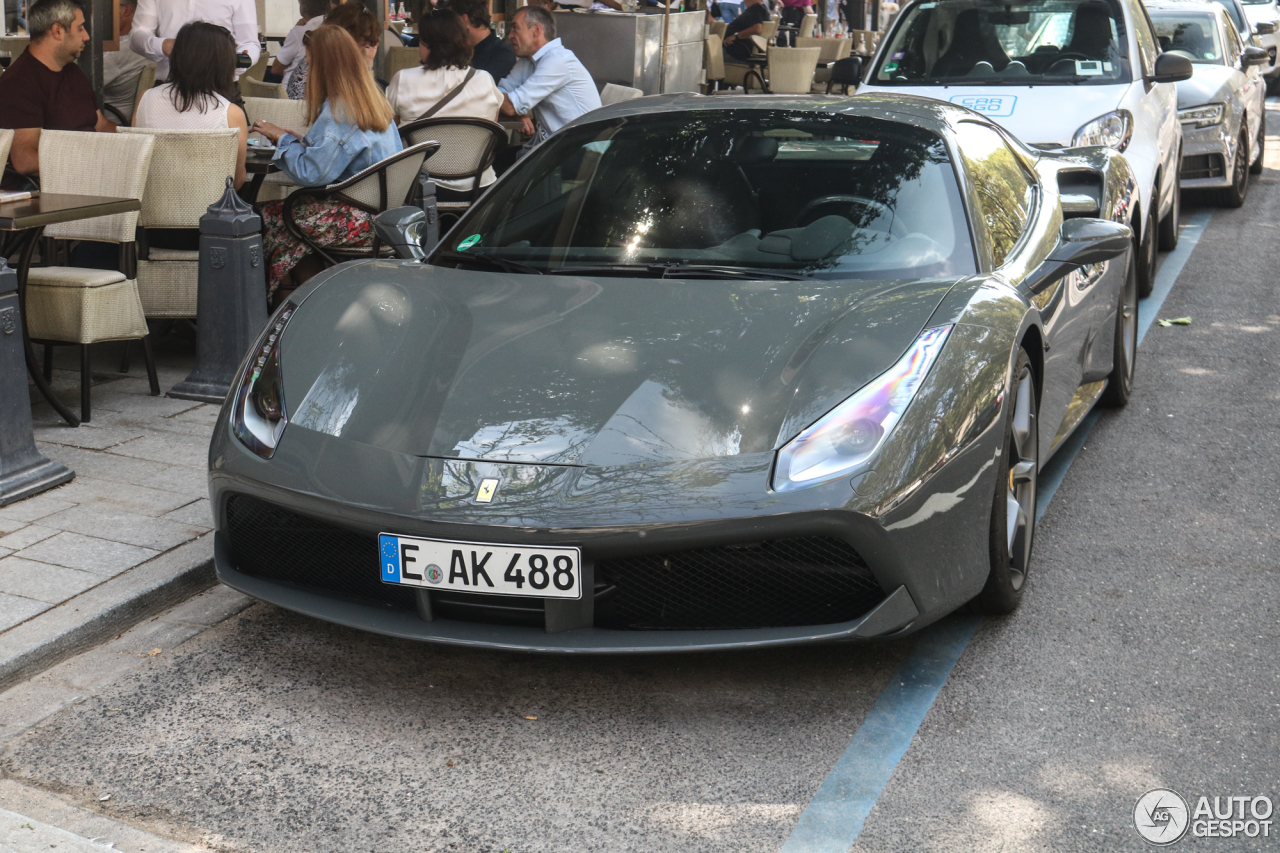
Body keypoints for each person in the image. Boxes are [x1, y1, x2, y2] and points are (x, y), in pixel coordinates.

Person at [251, 25, 403, 300]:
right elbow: (335, 153)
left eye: (309, 64)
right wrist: (294, 139)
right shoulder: (371, 100)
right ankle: (306, 297)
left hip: (359, 219)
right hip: (383, 214)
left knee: (265, 218)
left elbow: (311, 173)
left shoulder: (339, 112)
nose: (306, 72)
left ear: (322, 67)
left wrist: (280, 139)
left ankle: (311, 302)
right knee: (279, 219)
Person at [387, 9, 502, 201]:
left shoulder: (404, 79)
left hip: (418, 188)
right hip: (478, 186)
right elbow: (493, 123)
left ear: (428, 43)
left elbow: (392, 129)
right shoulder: (484, 79)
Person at [0, 0, 116, 179]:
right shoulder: (18, 83)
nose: (86, 36)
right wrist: (92, 164)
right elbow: (25, 160)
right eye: (80, 28)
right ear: (57, 31)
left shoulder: (71, 70)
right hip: (63, 186)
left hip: (97, 174)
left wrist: (137, 144)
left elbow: (100, 124)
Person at [134, 21, 249, 190]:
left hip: (150, 210)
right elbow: (237, 180)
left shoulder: (146, 98)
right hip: (210, 212)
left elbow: (139, 159)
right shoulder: (230, 113)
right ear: (224, 63)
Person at [498, 6, 600, 150]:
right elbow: (501, 93)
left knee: (497, 163)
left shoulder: (557, 60)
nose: (510, 35)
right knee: (498, 160)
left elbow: (508, 104)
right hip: (554, 146)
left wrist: (514, 109)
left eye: (516, 28)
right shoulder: (528, 61)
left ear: (536, 31)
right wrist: (518, 114)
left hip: (580, 150)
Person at [129, 0, 259, 84]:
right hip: (168, 86)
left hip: (220, 87)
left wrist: (232, 63)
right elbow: (137, 35)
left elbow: (249, 43)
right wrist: (162, 45)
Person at [287, 2, 384, 99]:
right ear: (348, 35)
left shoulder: (324, 52)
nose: (368, 46)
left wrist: (369, 61)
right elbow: (364, 102)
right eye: (367, 40)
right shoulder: (330, 61)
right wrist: (367, 64)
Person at [406, 0, 515, 83]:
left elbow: (479, 90)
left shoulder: (503, 55)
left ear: (463, 20)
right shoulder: (454, 45)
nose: (447, 28)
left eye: (450, 22)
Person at [102, 0, 149, 123]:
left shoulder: (117, 51)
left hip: (106, 126)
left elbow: (73, 88)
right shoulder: (145, 45)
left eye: (106, 6)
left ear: (126, 10)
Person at [271, 0, 331, 90]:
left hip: (293, 94)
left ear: (302, 9)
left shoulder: (299, 32)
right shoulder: (337, 30)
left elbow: (276, 69)